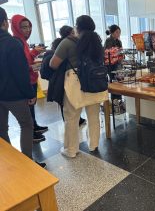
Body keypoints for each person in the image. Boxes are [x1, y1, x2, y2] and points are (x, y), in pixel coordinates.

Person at [50, 15, 107, 158]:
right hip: (94, 82)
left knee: (72, 117)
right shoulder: (97, 41)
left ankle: (71, 150)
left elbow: (53, 64)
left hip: (75, 83)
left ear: (77, 27)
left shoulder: (68, 43)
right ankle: (93, 145)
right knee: (94, 115)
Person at [0, 7, 46, 168]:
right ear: (6, 22)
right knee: (26, 124)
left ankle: (8, 164)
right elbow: (20, 72)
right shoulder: (12, 43)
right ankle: (27, 164)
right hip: (14, 95)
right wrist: (29, 94)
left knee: (2, 129)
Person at [11, 14, 48, 143]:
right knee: (28, 108)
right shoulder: (16, 43)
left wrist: (34, 53)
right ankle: (31, 132)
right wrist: (33, 60)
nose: (27, 30)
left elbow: (27, 60)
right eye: (23, 27)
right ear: (16, 27)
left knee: (32, 107)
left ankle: (34, 127)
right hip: (26, 80)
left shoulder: (23, 42)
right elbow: (21, 65)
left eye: (28, 27)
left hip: (31, 78)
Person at [43, 25, 86, 126]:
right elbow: (54, 63)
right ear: (70, 33)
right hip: (64, 77)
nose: (75, 34)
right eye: (73, 32)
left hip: (59, 78)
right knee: (67, 102)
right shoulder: (67, 43)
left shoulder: (58, 43)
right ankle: (71, 122)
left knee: (65, 102)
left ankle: (73, 120)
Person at [104, 24, 125, 113]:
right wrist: (116, 53)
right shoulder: (108, 41)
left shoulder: (118, 41)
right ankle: (114, 103)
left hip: (118, 64)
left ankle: (119, 102)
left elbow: (121, 51)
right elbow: (107, 54)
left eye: (119, 32)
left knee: (119, 81)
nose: (118, 34)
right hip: (110, 65)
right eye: (117, 32)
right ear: (112, 33)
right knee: (113, 82)